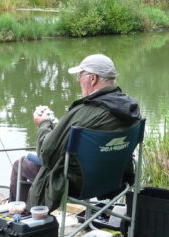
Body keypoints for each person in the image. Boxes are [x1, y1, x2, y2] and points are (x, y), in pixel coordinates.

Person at [26, 54, 142, 211]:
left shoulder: (82, 112)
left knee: (22, 165)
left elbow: (46, 155)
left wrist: (44, 124)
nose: (78, 79)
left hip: (77, 185)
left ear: (92, 78)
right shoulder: (132, 111)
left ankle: (23, 224)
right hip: (114, 181)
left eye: (80, 75)